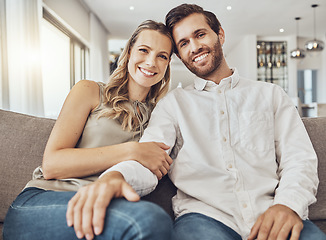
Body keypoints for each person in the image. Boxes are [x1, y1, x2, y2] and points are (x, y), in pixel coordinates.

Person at [97, 4, 326, 240]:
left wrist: (288, 205)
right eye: (184, 43)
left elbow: (299, 158)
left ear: (220, 34)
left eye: (200, 35)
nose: (194, 47)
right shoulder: (173, 105)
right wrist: (117, 176)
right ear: (179, 55)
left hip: (272, 210)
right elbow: (149, 159)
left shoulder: (271, 95)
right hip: (203, 218)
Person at [3, 20, 174, 240]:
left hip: (105, 205)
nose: (151, 62)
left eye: (162, 56)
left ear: (168, 64)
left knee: (153, 220)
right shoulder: (90, 91)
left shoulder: (160, 117)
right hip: (45, 199)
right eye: (144, 50)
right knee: (148, 221)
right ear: (129, 51)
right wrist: (132, 150)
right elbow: (53, 165)